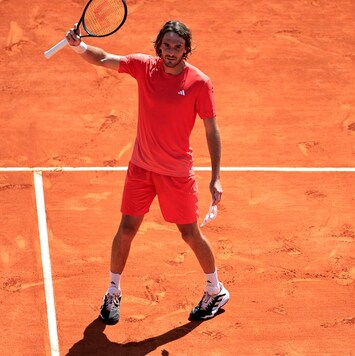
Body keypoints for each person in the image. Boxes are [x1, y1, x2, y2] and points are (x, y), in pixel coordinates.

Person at [64, 20, 229, 324]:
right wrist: (79, 46)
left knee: (189, 233)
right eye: (166, 45)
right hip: (141, 168)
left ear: (186, 49)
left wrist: (216, 176)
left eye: (177, 46)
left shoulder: (200, 83)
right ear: (159, 46)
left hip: (176, 174)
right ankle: (113, 290)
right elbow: (103, 58)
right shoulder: (144, 67)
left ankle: (215, 289)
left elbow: (212, 130)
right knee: (126, 229)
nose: (171, 51)